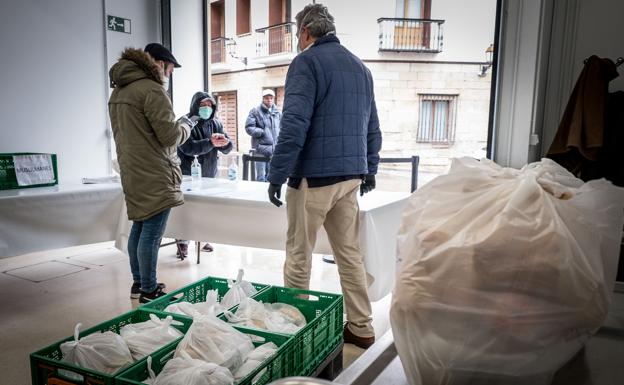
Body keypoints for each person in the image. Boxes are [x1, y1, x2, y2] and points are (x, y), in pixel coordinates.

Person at [267, 4, 382, 349]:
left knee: (299, 254)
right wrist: (370, 169)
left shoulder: (306, 62)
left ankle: (293, 329)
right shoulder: (360, 67)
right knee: (349, 255)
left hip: (313, 179)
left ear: (304, 32)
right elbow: (372, 127)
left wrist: (277, 173)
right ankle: (361, 328)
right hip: (350, 179)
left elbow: (294, 125)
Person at [108, 43, 195, 303]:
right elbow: (169, 136)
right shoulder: (152, 90)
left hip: (132, 170)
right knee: (152, 234)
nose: (168, 74)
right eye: (168, 68)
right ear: (158, 63)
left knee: (139, 228)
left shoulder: (119, 91)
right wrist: (186, 126)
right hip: (155, 171)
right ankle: (149, 289)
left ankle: (138, 283)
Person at [175, 92, 233, 257]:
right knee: (187, 209)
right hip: (187, 174)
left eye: (210, 105)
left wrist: (225, 143)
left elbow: (228, 147)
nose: (207, 108)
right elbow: (187, 148)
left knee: (206, 208)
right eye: (203, 105)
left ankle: (205, 237)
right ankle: (183, 242)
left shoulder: (215, 123)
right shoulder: (185, 123)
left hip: (209, 173)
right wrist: (210, 143)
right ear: (195, 105)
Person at [245, 89, 282, 181]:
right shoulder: (255, 111)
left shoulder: (278, 113)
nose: (269, 100)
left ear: (273, 99)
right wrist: (262, 132)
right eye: (266, 98)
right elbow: (249, 128)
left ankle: (268, 195)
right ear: (263, 99)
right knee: (261, 178)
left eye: (271, 98)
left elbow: (283, 128)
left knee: (271, 177)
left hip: (273, 150)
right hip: (260, 150)